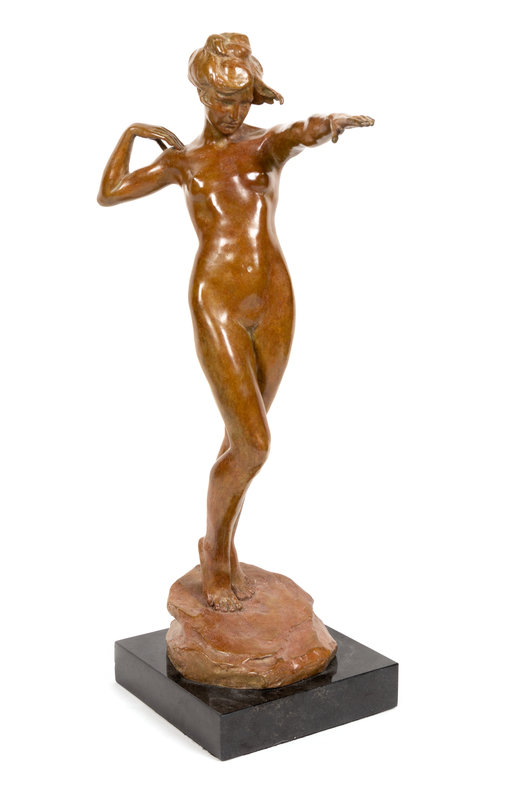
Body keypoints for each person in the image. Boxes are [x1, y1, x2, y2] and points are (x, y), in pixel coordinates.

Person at [98, 33, 374, 612]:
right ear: (202, 95)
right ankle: (214, 554)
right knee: (253, 445)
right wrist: (132, 133)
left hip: (275, 300)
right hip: (217, 303)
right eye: (223, 100)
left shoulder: (263, 146)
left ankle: (224, 548)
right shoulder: (185, 161)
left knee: (240, 439)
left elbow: (295, 132)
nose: (233, 111)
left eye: (243, 98)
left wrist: (328, 125)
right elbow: (110, 193)